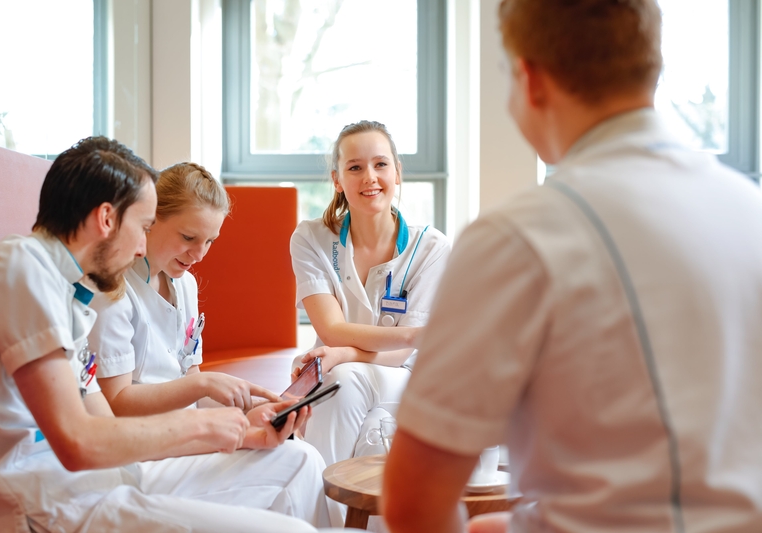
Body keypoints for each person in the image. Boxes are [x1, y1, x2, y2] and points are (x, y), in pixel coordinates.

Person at [382, 1, 762, 532]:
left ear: (530, 80)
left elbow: (414, 501)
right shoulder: (749, 211)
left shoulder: (517, 237)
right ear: (650, 65)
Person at [0, 137, 350, 533]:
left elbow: (102, 422)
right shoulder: (20, 269)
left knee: (296, 462)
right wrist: (205, 427)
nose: (142, 248)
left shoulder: (66, 291)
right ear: (107, 219)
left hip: (99, 478)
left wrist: (246, 433)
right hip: (38, 498)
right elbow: (78, 442)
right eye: (144, 227)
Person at [87, 161, 340, 527]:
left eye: (210, 241)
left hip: (190, 435)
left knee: (303, 455)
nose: (200, 254)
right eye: (188, 238)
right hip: (145, 451)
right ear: (150, 219)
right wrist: (203, 384)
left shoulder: (184, 285)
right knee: (298, 463)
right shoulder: (113, 292)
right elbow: (116, 405)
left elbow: (190, 384)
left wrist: (255, 407)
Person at [290, 120, 451, 467]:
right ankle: (327, 513)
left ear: (397, 173)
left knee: (343, 380)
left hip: (403, 374)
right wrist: (414, 335)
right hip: (333, 366)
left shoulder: (431, 247)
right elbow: (331, 330)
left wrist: (344, 355)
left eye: (380, 164)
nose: (370, 178)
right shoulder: (311, 239)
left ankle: (324, 516)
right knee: (339, 382)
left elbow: (401, 354)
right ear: (337, 180)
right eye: (355, 167)